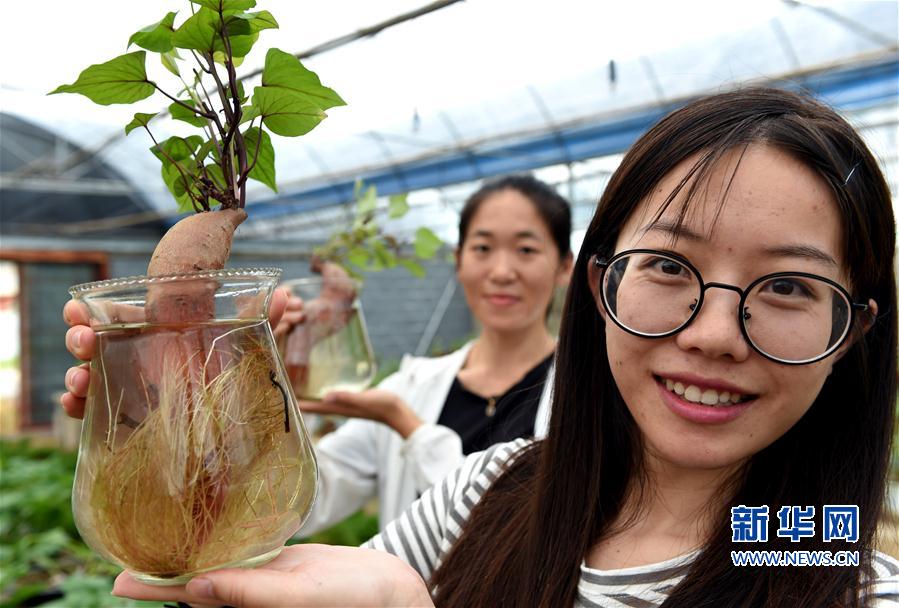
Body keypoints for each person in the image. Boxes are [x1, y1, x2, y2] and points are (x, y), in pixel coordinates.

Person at [92, 87, 899, 607]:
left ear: (852, 333)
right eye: (667, 266)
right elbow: (292, 518)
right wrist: (183, 398)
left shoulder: (835, 566)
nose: (713, 333)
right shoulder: (489, 489)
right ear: (599, 285)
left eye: (789, 285)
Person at [62, 174, 574, 536]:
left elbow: (522, 530)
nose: (502, 270)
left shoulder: (588, 394)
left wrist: (409, 427)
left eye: (526, 250)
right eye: (483, 248)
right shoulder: (414, 383)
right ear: (459, 261)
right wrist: (204, 411)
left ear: (565, 266)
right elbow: (304, 502)